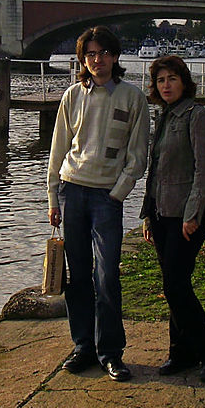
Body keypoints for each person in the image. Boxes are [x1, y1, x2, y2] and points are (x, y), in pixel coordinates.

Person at [47, 26, 150, 382]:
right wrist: (52, 196)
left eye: (103, 53)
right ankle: (82, 347)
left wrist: (119, 191)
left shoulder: (133, 98)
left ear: (115, 57)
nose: (97, 60)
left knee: (106, 275)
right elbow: (58, 149)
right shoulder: (72, 96)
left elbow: (138, 155)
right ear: (82, 59)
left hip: (106, 197)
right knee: (77, 276)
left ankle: (110, 352)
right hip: (72, 190)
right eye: (90, 54)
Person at [140, 55, 205, 382]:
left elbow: (204, 171)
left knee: (175, 285)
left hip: (185, 216)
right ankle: (181, 352)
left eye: (171, 79)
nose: (165, 85)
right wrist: (148, 215)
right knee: (174, 284)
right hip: (162, 214)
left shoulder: (198, 116)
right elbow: (155, 172)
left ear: (184, 82)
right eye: (161, 80)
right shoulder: (163, 117)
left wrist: (192, 215)